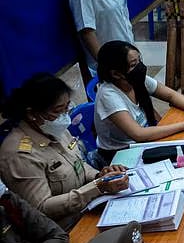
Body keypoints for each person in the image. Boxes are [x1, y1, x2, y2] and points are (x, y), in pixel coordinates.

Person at [0, 74, 128, 230]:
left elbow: (78, 165)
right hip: (65, 228)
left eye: (67, 107)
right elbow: (41, 208)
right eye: (58, 111)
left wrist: (99, 175)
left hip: (87, 209)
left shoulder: (54, 129)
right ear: (32, 114)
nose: (65, 116)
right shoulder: (19, 155)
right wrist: (97, 187)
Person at [93, 41, 184, 164]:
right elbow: (139, 134)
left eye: (139, 61)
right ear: (116, 74)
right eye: (133, 65)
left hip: (144, 142)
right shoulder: (108, 95)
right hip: (120, 155)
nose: (140, 67)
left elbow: (171, 95)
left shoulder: (137, 80)